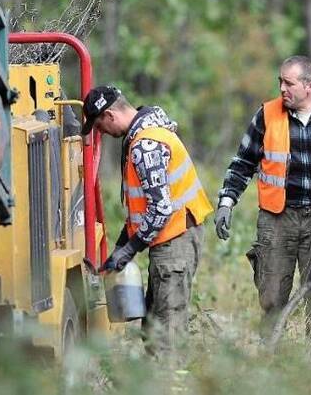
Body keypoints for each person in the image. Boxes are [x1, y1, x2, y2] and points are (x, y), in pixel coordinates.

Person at [215, 55, 311, 339]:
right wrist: (227, 201)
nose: (282, 89)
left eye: (288, 83)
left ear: (309, 86)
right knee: (272, 296)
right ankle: (269, 360)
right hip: (278, 219)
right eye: (280, 81)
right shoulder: (266, 114)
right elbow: (243, 162)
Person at [82, 85, 213, 354]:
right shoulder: (146, 131)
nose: (100, 133)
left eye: (98, 126)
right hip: (170, 239)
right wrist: (121, 248)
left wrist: (130, 250)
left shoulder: (145, 146)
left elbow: (161, 208)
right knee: (153, 328)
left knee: (167, 333)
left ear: (109, 115)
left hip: (175, 242)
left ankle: (172, 385)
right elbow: (143, 208)